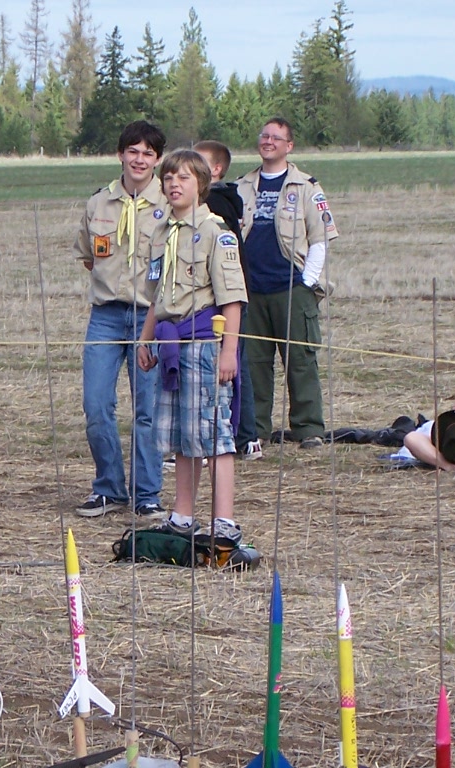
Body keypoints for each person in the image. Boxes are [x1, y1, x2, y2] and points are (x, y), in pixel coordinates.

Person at [137, 149, 247, 546]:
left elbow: (232, 298)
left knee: (213, 433)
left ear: (201, 184)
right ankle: (183, 515)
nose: (174, 184)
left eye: (183, 178)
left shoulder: (217, 234)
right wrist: (146, 338)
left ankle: (224, 522)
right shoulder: (163, 232)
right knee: (182, 436)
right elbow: (157, 295)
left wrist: (229, 352)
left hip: (204, 342)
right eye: (168, 178)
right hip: (171, 342)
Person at [73, 120, 168, 519]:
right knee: (96, 404)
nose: (139, 159)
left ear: (157, 160)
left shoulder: (170, 203)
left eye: (148, 153)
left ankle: (146, 493)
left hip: (151, 318)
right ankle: (109, 488)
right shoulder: (99, 203)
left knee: (147, 409)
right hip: (107, 316)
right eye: (133, 151)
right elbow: (88, 255)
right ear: (120, 155)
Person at [234, 118, 339, 450]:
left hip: (292, 287)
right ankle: (257, 430)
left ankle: (309, 429)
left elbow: (320, 239)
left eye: (276, 138)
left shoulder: (306, 187)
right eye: (264, 135)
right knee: (254, 365)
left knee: (301, 361)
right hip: (251, 290)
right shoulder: (242, 185)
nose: (268, 141)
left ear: (289, 146)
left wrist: (306, 282)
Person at [195, 139, 259, 461]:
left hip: (224, 294)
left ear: (216, 170)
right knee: (239, 361)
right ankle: (248, 436)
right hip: (234, 290)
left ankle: (237, 435)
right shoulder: (230, 200)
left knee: (226, 362)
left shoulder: (214, 205)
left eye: (198, 161)